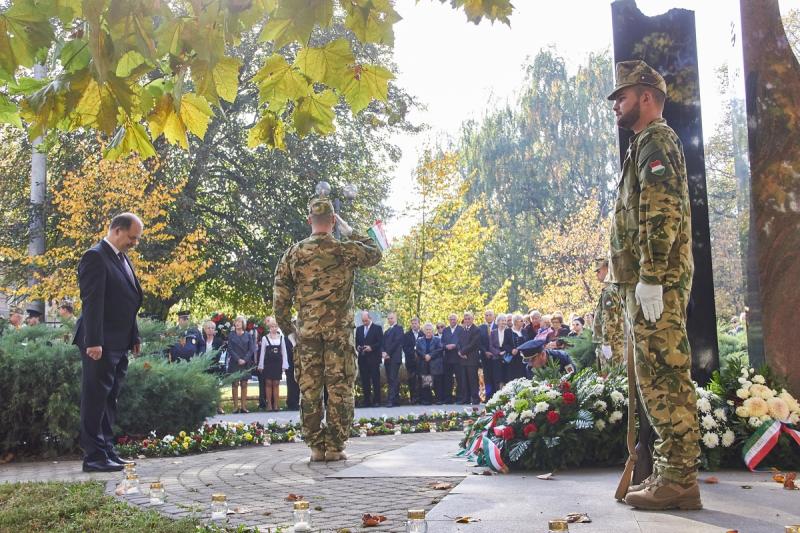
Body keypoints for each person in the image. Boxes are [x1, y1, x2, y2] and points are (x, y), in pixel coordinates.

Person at [607, 60, 700, 510]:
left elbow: (661, 213)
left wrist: (650, 276)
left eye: (621, 97)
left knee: (666, 376)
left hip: (655, 284)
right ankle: (669, 472)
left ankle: (680, 478)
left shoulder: (657, 140)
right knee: (653, 376)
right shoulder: (645, 143)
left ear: (646, 96)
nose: (616, 106)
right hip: (646, 283)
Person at [273, 197, 381, 462]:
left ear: (310, 220)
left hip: (307, 335)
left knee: (309, 391)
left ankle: (315, 447)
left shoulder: (294, 253)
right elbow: (375, 253)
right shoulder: (345, 250)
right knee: (340, 389)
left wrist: (290, 331)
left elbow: (280, 299)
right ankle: (335, 446)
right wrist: (350, 231)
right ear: (333, 220)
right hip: (339, 336)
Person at [73, 212, 143, 472]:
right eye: (132, 237)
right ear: (117, 230)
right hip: (99, 344)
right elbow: (93, 302)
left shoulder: (121, 258)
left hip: (118, 342)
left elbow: (129, 302)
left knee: (109, 399)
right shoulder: (95, 256)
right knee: (95, 399)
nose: (134, 243)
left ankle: (107, 451)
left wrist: (133, 336)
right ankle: (94, 457)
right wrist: (93, 342)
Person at [592, 257, 625, 370]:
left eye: (598, 271)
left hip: (612, 343)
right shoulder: (613, 289)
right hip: (615, 341)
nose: (597, 274)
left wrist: (606, 342)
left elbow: (610, 319)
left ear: (607, 268)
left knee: (612, 378)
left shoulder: (609, 291)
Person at [226, 315, 256, 414]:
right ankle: (235, 407)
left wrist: (245, 359)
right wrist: (238, 359)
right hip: (234, 362)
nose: (238, 323)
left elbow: (251, 349)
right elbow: (230, 349)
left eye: (240, 321)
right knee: (235, 384)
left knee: (244, 384)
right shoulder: (231, 335)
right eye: (236, 321)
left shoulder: (248, 335)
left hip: (245, 363)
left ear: (243, 324)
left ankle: (243, 406)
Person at [258, 317, 289, 412]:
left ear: (277, 327)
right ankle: (269, 405)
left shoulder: (281, 338)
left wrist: (285, 365)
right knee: (268, 383)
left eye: (275, 326)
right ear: (269, 327)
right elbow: (262, 352)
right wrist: (261, 365)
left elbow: (284, 352)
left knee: (276, 383)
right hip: (268, 363)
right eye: (272, 326)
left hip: (277, 363)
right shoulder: (265, 338)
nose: (274, 328)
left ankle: (276, 404)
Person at [355, 310, 383, 407]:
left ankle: (377, 401)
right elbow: (356, 342)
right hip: (363, 359)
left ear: (370, 318)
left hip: (374, 359)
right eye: (363, 321)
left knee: (375, 380)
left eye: (366, 320)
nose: (364, 323)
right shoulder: (359, 329)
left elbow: (380, 343)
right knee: (365, 381)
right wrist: (358, 347)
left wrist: (371, 347)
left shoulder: (377, 328)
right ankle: (367, 401)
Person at [415, 323, 444, 404]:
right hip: (424, 364)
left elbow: (440, 349)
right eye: (427, 329)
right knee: (426, 382)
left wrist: (430, 355)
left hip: (435, 364)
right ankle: (427, 400)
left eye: (430, 329)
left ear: (433, 330)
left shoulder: (437, 339)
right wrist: (425, 356)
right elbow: (418, 350)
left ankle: (439, 400)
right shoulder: (420, 340)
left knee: (437, 383)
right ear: (424, 331)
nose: (428, 331)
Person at [457, 312, 482, 405]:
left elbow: (473, 344)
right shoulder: (462, 330)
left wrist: (463, 352)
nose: (467, 320)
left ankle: (475, 399)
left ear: (472, 319)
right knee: (464, 380)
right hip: (462, 359)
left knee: (473, 380)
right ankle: (465, 399)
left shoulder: (476, 330)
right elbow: (458, 342)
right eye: (465, 318)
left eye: (469, 318)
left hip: (471, 359)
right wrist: (460, 352)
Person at [382, 312, 405, 407]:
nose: (390, 320)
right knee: (391, 379)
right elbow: (382, 343)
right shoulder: (386, 331)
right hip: (387, 359)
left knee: (393, 378)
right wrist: (383, 352)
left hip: (395, 358)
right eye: (388, 318)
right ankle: (396, 400)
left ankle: (391, 400)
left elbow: (396, 342)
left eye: (391, 318)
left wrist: (388, 353)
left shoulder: (399, 329)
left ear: (395, 318)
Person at [440, 313, 463, 404]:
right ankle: (448, 398)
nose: (452, 321)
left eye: (454, 319)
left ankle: (459, 398)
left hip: (458, 358)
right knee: (447, 379)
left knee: (459, 379)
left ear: (456, 320)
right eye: (451, 319)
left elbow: (463, 341)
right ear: (449, 320)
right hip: (447, 358)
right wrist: (446, 346)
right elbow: (441, 343)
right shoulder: (445, 330)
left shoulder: (461, 329)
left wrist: (455, 345)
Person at [489, 313, 513, 393]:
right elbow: (490, 346)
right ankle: (498, 395)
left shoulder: (509, 331)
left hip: (507, 356)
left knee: (506, 377)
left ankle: (506, 394)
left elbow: (511, 344)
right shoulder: (493, 332)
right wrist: (498, 353)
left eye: (505, 321)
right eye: (502, 320)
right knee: (497, 377)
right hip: (496, 357)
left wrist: (505, 351)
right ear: (498, 322)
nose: (504, 322)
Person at [403, 317, 423, 404]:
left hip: (422, 361)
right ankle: (413, 399)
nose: (414, 325)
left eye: (415, 323)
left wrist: (419, 353)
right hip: (411, 361)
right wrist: (413, 353)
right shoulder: (406, 335)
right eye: (412, 323)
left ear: (419, 324)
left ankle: (424, 398)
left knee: (424, 379)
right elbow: (405, 347)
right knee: (412, 380)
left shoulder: (423, 334)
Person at [478, 309, 496, 400]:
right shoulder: (481, 328)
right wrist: (485, 351)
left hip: (496, 357)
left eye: (490, 315)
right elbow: (479, 342)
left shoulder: (498, 326)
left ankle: (496, 397)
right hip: (485, 356)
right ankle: (488, 397)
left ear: (494, 316)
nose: (488, 316)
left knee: (495, 377)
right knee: (487, 378)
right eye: (486, 315)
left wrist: (493, 352)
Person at [284, 317, 300, 410]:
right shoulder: (287, 337)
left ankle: (297, 401)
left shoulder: (300, 336)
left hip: (299, 362)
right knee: (291, 384)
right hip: (290, 363)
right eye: (294, 324)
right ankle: (291, 402)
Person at [507, 314, 529, 381]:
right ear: (516, 322)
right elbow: (505, 345)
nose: (523, 322)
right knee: (515, 378)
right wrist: (511, 350)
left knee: (524, 377)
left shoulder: (524, 331)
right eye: (521, 321)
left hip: (524, 358)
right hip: (513, 359)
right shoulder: (508, 331)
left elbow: (527, 342)